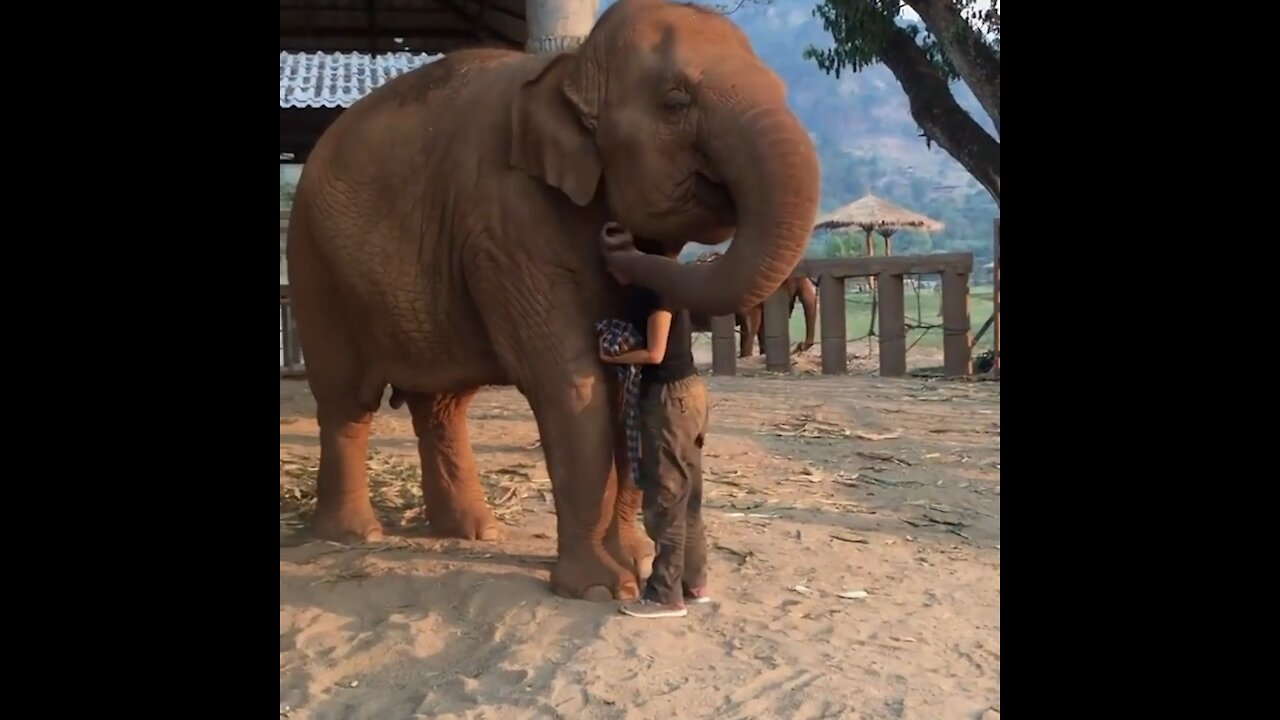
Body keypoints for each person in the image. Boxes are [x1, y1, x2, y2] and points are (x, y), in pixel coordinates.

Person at [598, 225, 711, 619]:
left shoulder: (654, 292)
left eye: (613, 264)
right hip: (691, 393)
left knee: (667, 496)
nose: (609, 273)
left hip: (669, 397)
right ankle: (693, 583)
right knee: (688, 492)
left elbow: (655, 353)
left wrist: (614, 359)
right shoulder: (664, 287)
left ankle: (665, 594)